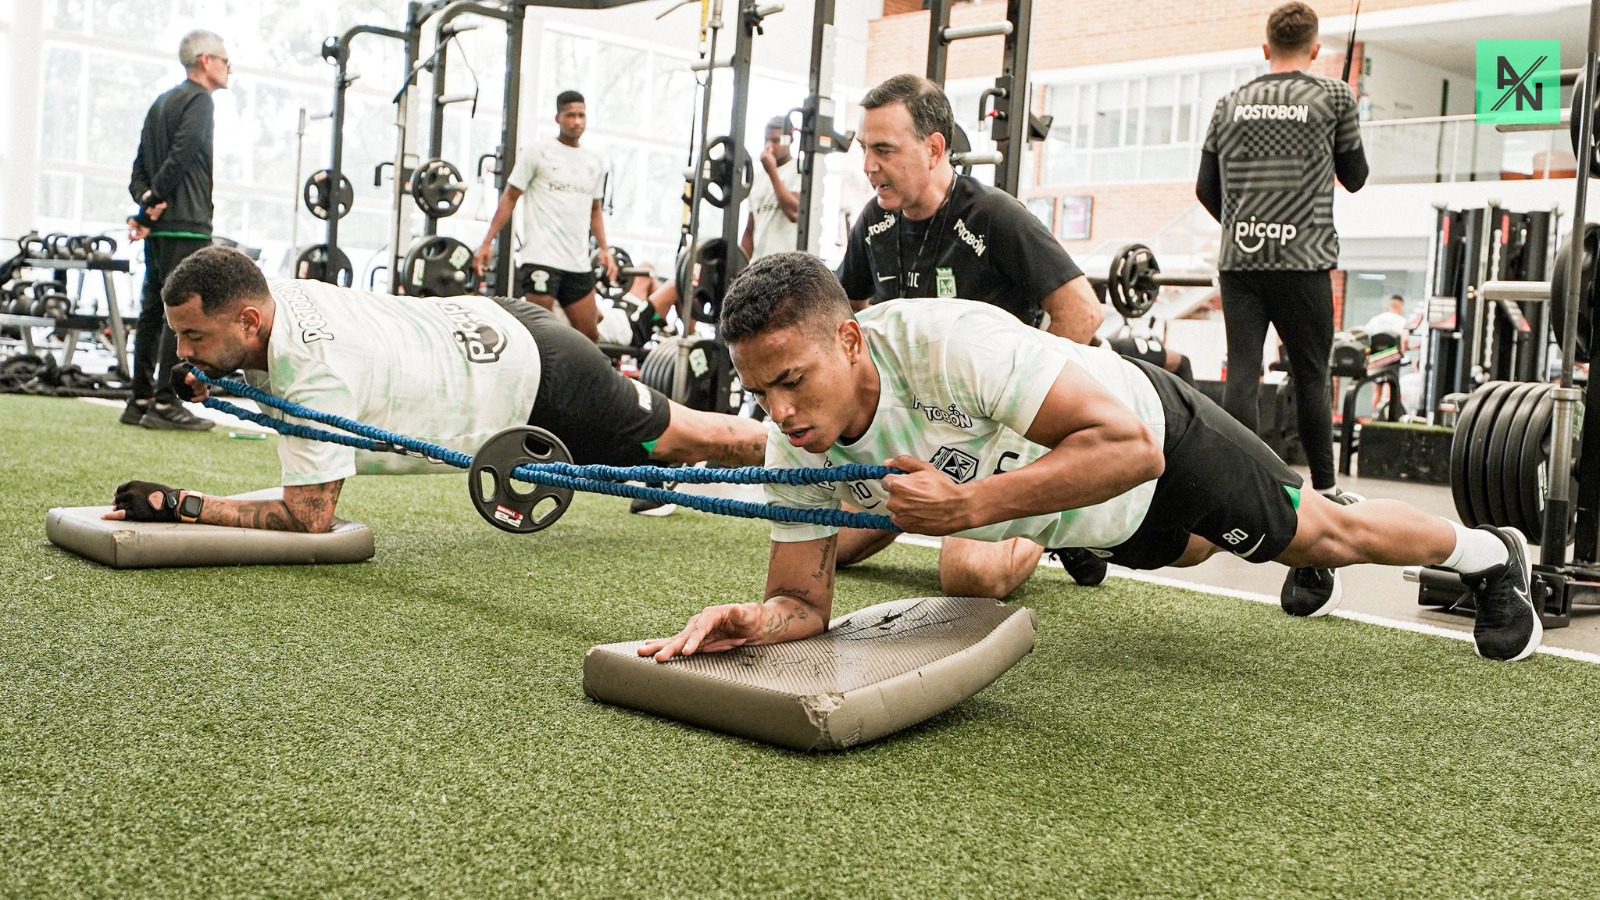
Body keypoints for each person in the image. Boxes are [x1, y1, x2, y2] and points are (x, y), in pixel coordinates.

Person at [638, 252, 1542, 665]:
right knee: (1195, 546)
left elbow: (1132, 448)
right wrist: (756, 622)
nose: (782, 413)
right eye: (762, 394)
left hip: (1158, 435)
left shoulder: (951, 345)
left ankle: (1490, 556)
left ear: (851, 339)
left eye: (793, 381)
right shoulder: (795, 441)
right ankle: (1252, 534)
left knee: (1323, 536)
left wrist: (967, 510)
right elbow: (803, 601)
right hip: (1097, 516)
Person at [105, 247, 767, 532]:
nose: (184, 352)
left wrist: (186, 507)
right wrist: (212, 374)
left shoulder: (315, 370)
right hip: (495, 328)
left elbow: (310, 519)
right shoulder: (273, 297)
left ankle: (835, 455)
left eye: (193, 337)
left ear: (248, 320)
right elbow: (253, 366)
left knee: (691, 438)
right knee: (654, 457)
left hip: (541, 375)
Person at [832, 74, 1107, 597]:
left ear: (934, 148)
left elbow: (1082, 313)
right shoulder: (874, 222)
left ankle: (1055, 509)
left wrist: (1038, 431)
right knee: (830, 546)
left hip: (996, 425)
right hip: (927, 428)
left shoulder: (993, 215)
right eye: (865, 149)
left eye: (884, 150)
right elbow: (850, 312)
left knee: (971, 577)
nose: (869, 166)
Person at [1196, 1, 1368, 501]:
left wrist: (1243, 226)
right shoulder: (1334, 96)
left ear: (1266, 48)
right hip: (1304, 260)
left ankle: (1237, 487)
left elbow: (1206, 187)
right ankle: (1328, 490)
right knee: (1313, 373)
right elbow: (1355, 179)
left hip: (1241, 260)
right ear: (1315, 49)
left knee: (1243, 372)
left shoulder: (1229, 102)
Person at [121, 29, 231, 432]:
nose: (228, 67)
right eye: (224, 59)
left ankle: (139, 400)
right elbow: (181, 157)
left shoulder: (161, 102)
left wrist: (146, 205)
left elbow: (139, 170)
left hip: (161, 230)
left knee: (153, 311)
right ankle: (167, 402)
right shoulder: (200, 100)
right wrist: (154, 202)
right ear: (205, 61)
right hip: (185, 227)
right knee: (181, 317)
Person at [473, 90, 618, 343]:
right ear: (558, 118)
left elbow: (595, 209)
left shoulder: (593, 162)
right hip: (541, 259)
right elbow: (509, 197)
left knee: (589, 338)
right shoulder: (537, 153)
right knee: (541, 336)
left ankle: (578, 383)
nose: (577, 122)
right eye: (570, 115)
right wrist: (488, 243)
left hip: (578, 263)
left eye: (581, 116)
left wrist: (605, 249)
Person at [742, 116, 801, 261]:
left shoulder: (799, 171)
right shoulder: (758, 178)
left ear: (790, 140)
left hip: (787, 266)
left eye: (776, 140)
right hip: (759, 265)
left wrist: (772, 172)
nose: (769, 146)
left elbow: (794, 212)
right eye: (766, 140)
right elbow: (750, 230)